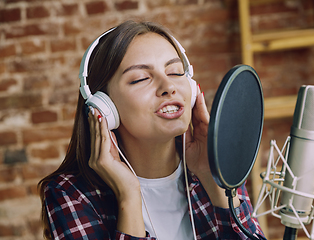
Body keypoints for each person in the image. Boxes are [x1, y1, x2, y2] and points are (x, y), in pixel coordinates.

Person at [38, 20, 266, 240]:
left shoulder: (216, 167)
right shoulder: (69, 194)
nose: (168, 87)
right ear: (103, 108)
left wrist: (212, 177)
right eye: (141, 78)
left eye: (175, 72)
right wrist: (128, 197)